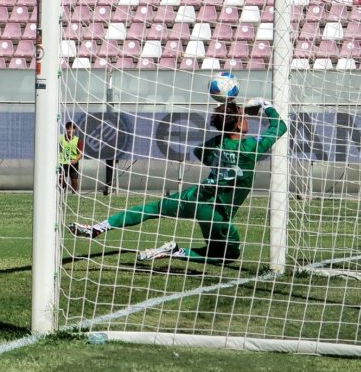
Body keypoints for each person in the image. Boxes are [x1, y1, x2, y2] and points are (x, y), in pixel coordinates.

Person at [68, 97, 288, 264]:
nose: (247, 118)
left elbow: (199, 151)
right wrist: (265, 105)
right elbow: (279, 127)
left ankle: (99, 227)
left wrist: (220, 155)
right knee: (228, 255)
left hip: (195, 196)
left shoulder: (215, 144)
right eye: (243, 117)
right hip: (217, 212)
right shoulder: (250, 147)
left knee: (152, 208)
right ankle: (176, 251)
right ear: (239, 125)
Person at [58, 121, 83, 193]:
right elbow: (58, 149)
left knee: (74, 179)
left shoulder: (78, 140)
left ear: (74, 130)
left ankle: (74, 194)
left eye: (72, 129)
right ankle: (64, 187)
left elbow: (81, 153)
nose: (70, 130)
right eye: (68, 129)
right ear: (66, 129)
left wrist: (75, 160)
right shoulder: (61, 138)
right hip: (63, 161)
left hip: (73, 162)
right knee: (61, 178)